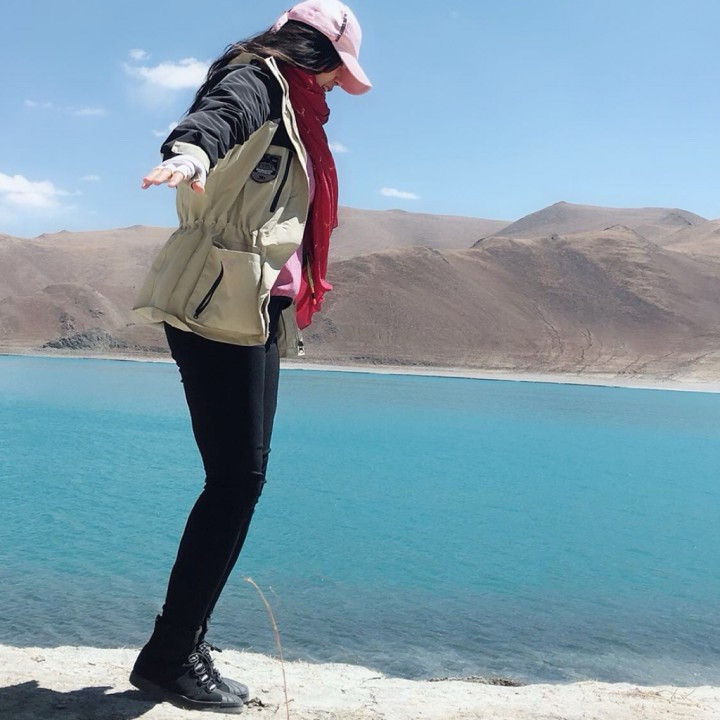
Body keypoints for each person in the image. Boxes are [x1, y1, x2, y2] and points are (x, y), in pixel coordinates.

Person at [128, 1, 371, 712]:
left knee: (241, 481)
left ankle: (182, 641)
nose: (337, 83)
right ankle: (170, 654)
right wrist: (189, 155)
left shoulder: (295, 106)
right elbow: (217, 118)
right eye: (336, 68)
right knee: (236, 482)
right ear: (311, 52)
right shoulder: (259, 79)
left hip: (254, 307)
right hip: (218, 303)